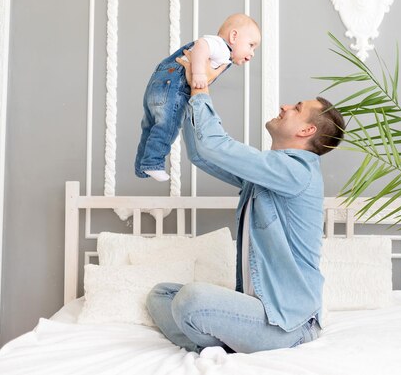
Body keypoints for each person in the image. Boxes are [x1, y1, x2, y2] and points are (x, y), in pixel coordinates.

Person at [146, 49, 345, 353]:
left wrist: (200, 85)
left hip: (288, 324)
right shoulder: (270, 172)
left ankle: (217, 344)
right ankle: (228, 344)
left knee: (192, 299)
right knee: (162, 295)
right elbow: (202, 153)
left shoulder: (296, 171)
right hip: (257, 311)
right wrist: (187, 92)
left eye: (296, 108)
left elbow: (215, 145)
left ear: (307, 130)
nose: (284, 106)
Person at [135, 13, 261, 182]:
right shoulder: (221, 46)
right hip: (172, 86)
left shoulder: (222, 52)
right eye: (251, 45)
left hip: (158, 84)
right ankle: (153, 163)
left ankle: (142, 167)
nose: (252, 53)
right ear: (234, 36)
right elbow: (201, 45)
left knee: (150, 126)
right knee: (168, 125)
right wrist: (199, 73)